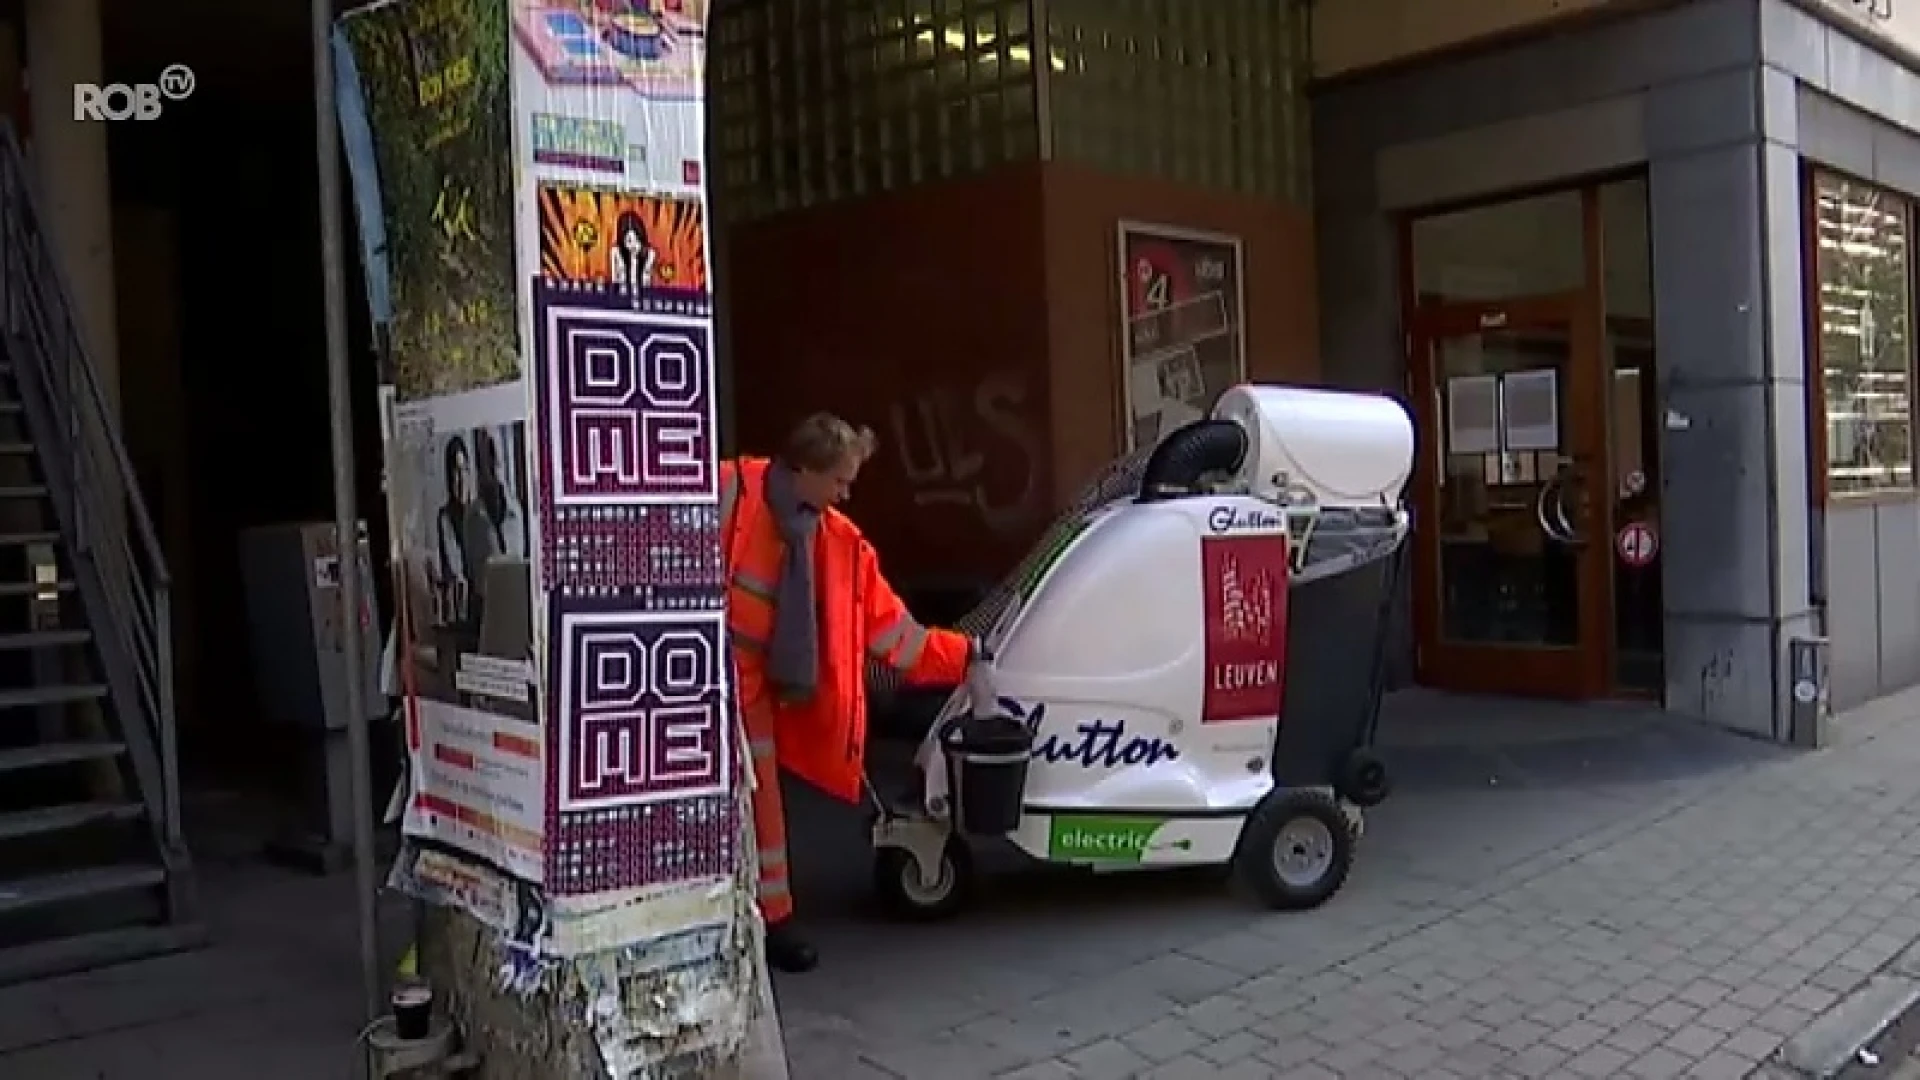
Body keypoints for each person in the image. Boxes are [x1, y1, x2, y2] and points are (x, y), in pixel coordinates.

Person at [720, 413, 974, 973]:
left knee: (762, 810)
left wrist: (965, 656)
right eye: (839, 481)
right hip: (700, 684)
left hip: (758, 689)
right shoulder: (731, 490)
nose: (846, 493)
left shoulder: (840, 542)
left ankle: (774, 921)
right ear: (804, 470)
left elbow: (894, 636)